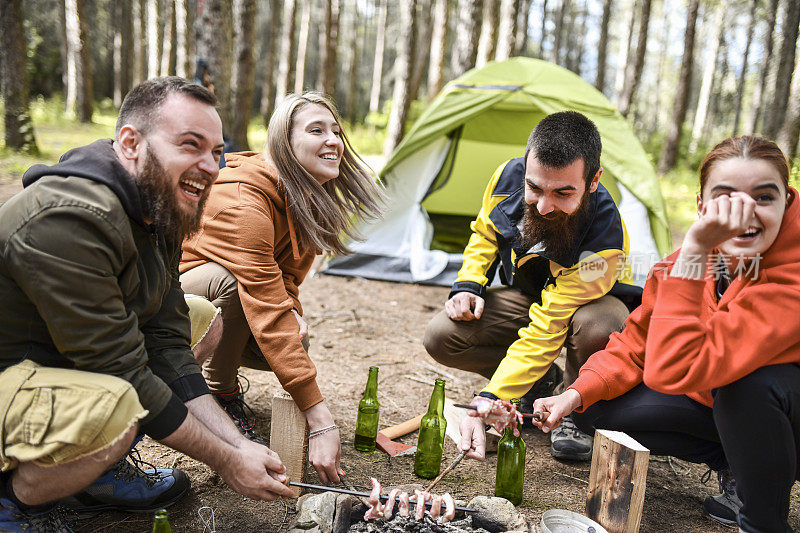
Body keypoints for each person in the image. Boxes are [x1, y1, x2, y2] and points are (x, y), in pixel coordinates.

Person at [0, 77, 295, 532]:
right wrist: (226, 461)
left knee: (202, 319)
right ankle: (15, 501)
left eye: (216, 151)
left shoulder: (155, 209)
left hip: (49, 361)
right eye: (190, 145)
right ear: (130, 143)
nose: (210, 166)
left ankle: (90, 475)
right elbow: (126, 372)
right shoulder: (72, 219)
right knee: (120, 405)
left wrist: (237, 446)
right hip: (9, 372)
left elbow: (166, 341)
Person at [529, 136, 800, 532]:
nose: (744, 214)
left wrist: (693, 253)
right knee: (595, 410)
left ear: (787, 201)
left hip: (785, 416)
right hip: (719, 400)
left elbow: (673, 370)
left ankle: (762, 522)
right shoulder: (688, 263)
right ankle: (738, 460)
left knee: (749, 385)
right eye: (726, 198)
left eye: (763, 197)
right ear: (701, 206)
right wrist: (575, 393)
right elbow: (637, 343)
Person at [179, 92, 384, 485]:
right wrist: (320, 420)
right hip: (179, 306)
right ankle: (218, 393)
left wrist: (290, 307)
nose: (333, 141)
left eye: (336, 131)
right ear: (284, 143)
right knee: (235, 284)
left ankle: (225, 387)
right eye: (316, 130)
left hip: (233, 299)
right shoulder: (243, 205)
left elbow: (282, 279)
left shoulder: (303, 195)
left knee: (294, 338)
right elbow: (264, 301)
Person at [425, 111, 642, 461]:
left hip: (588, 306)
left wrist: (494, 395)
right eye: (535, 188)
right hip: (531, 294)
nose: (544, 206)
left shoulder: (605, 242)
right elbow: (485, 233)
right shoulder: (506, 178)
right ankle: (540, 386)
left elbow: (548, 327)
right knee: (442, 335)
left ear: (593, 180)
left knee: (597, 325)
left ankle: (574, 407)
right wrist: (469, 283)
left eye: (563, 193)